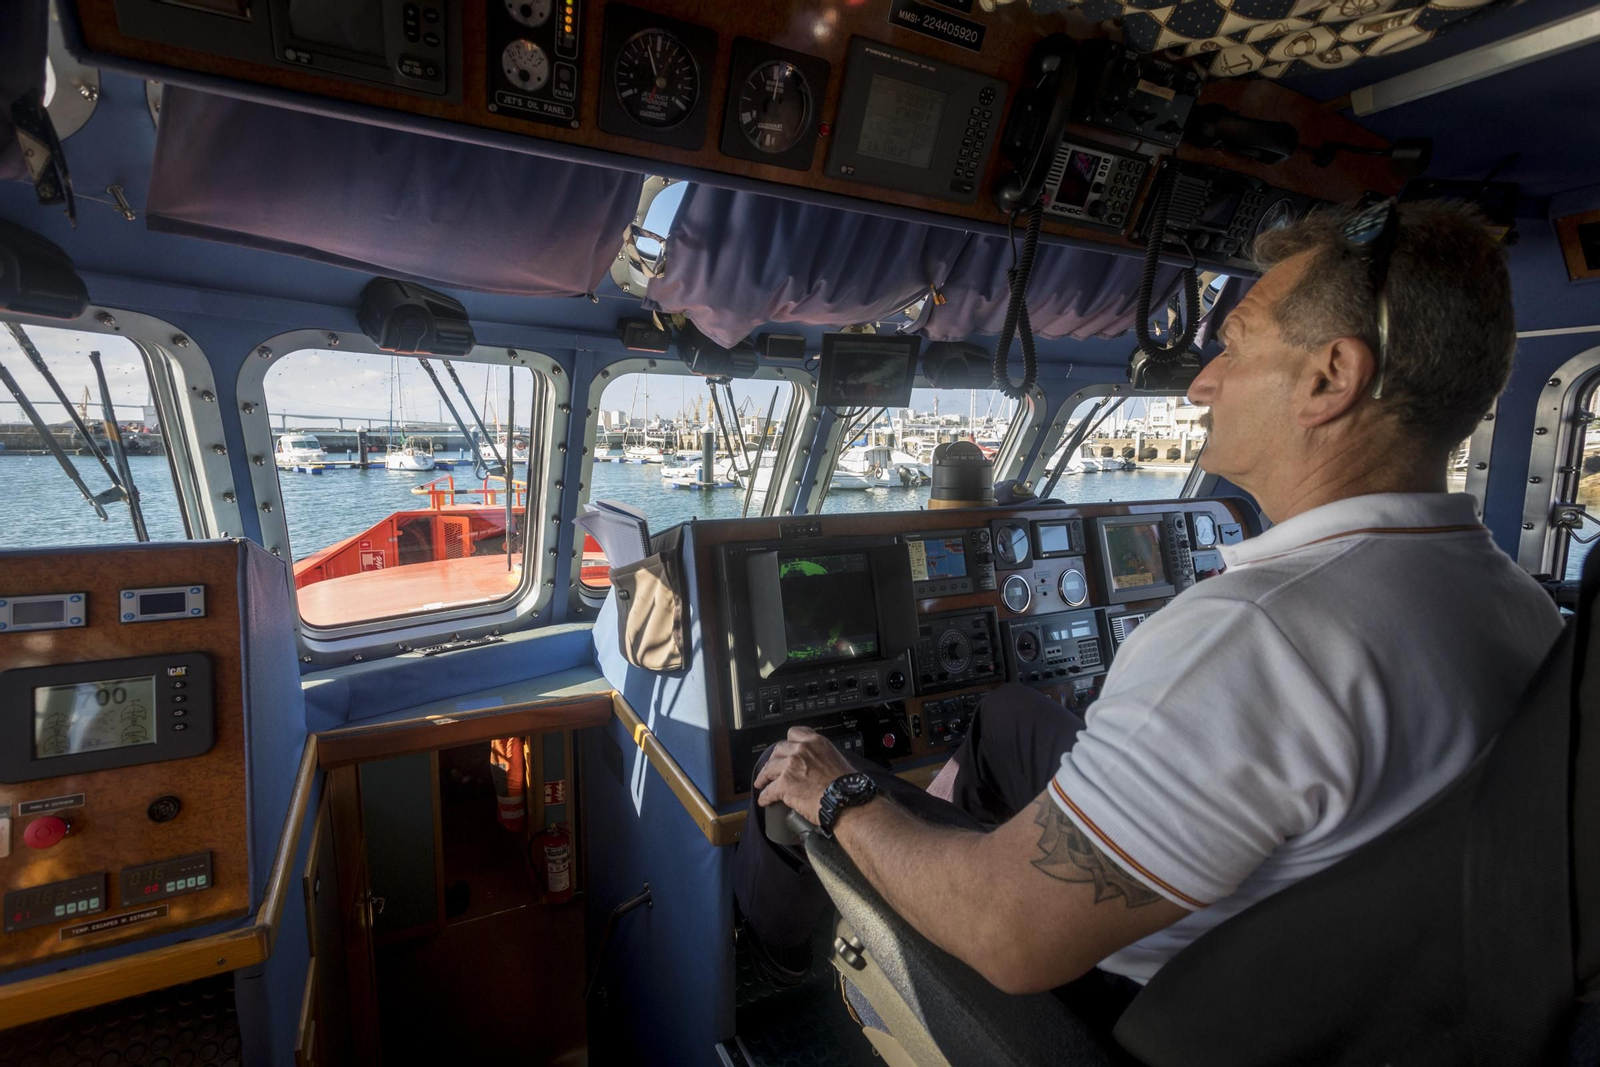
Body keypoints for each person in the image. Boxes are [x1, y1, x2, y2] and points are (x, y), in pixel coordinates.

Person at [732, 200, 1564, 1028]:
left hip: (1137, 1000)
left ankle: (768, 964)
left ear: (1329, 378)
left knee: (794, 774)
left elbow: (1005, 932)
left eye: (1234, 346)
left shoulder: (1251, 638)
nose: (1202, 380)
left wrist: (841, 793)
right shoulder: (1519, 603)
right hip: (1355, 999)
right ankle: (986, 825)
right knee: (1007, 712)